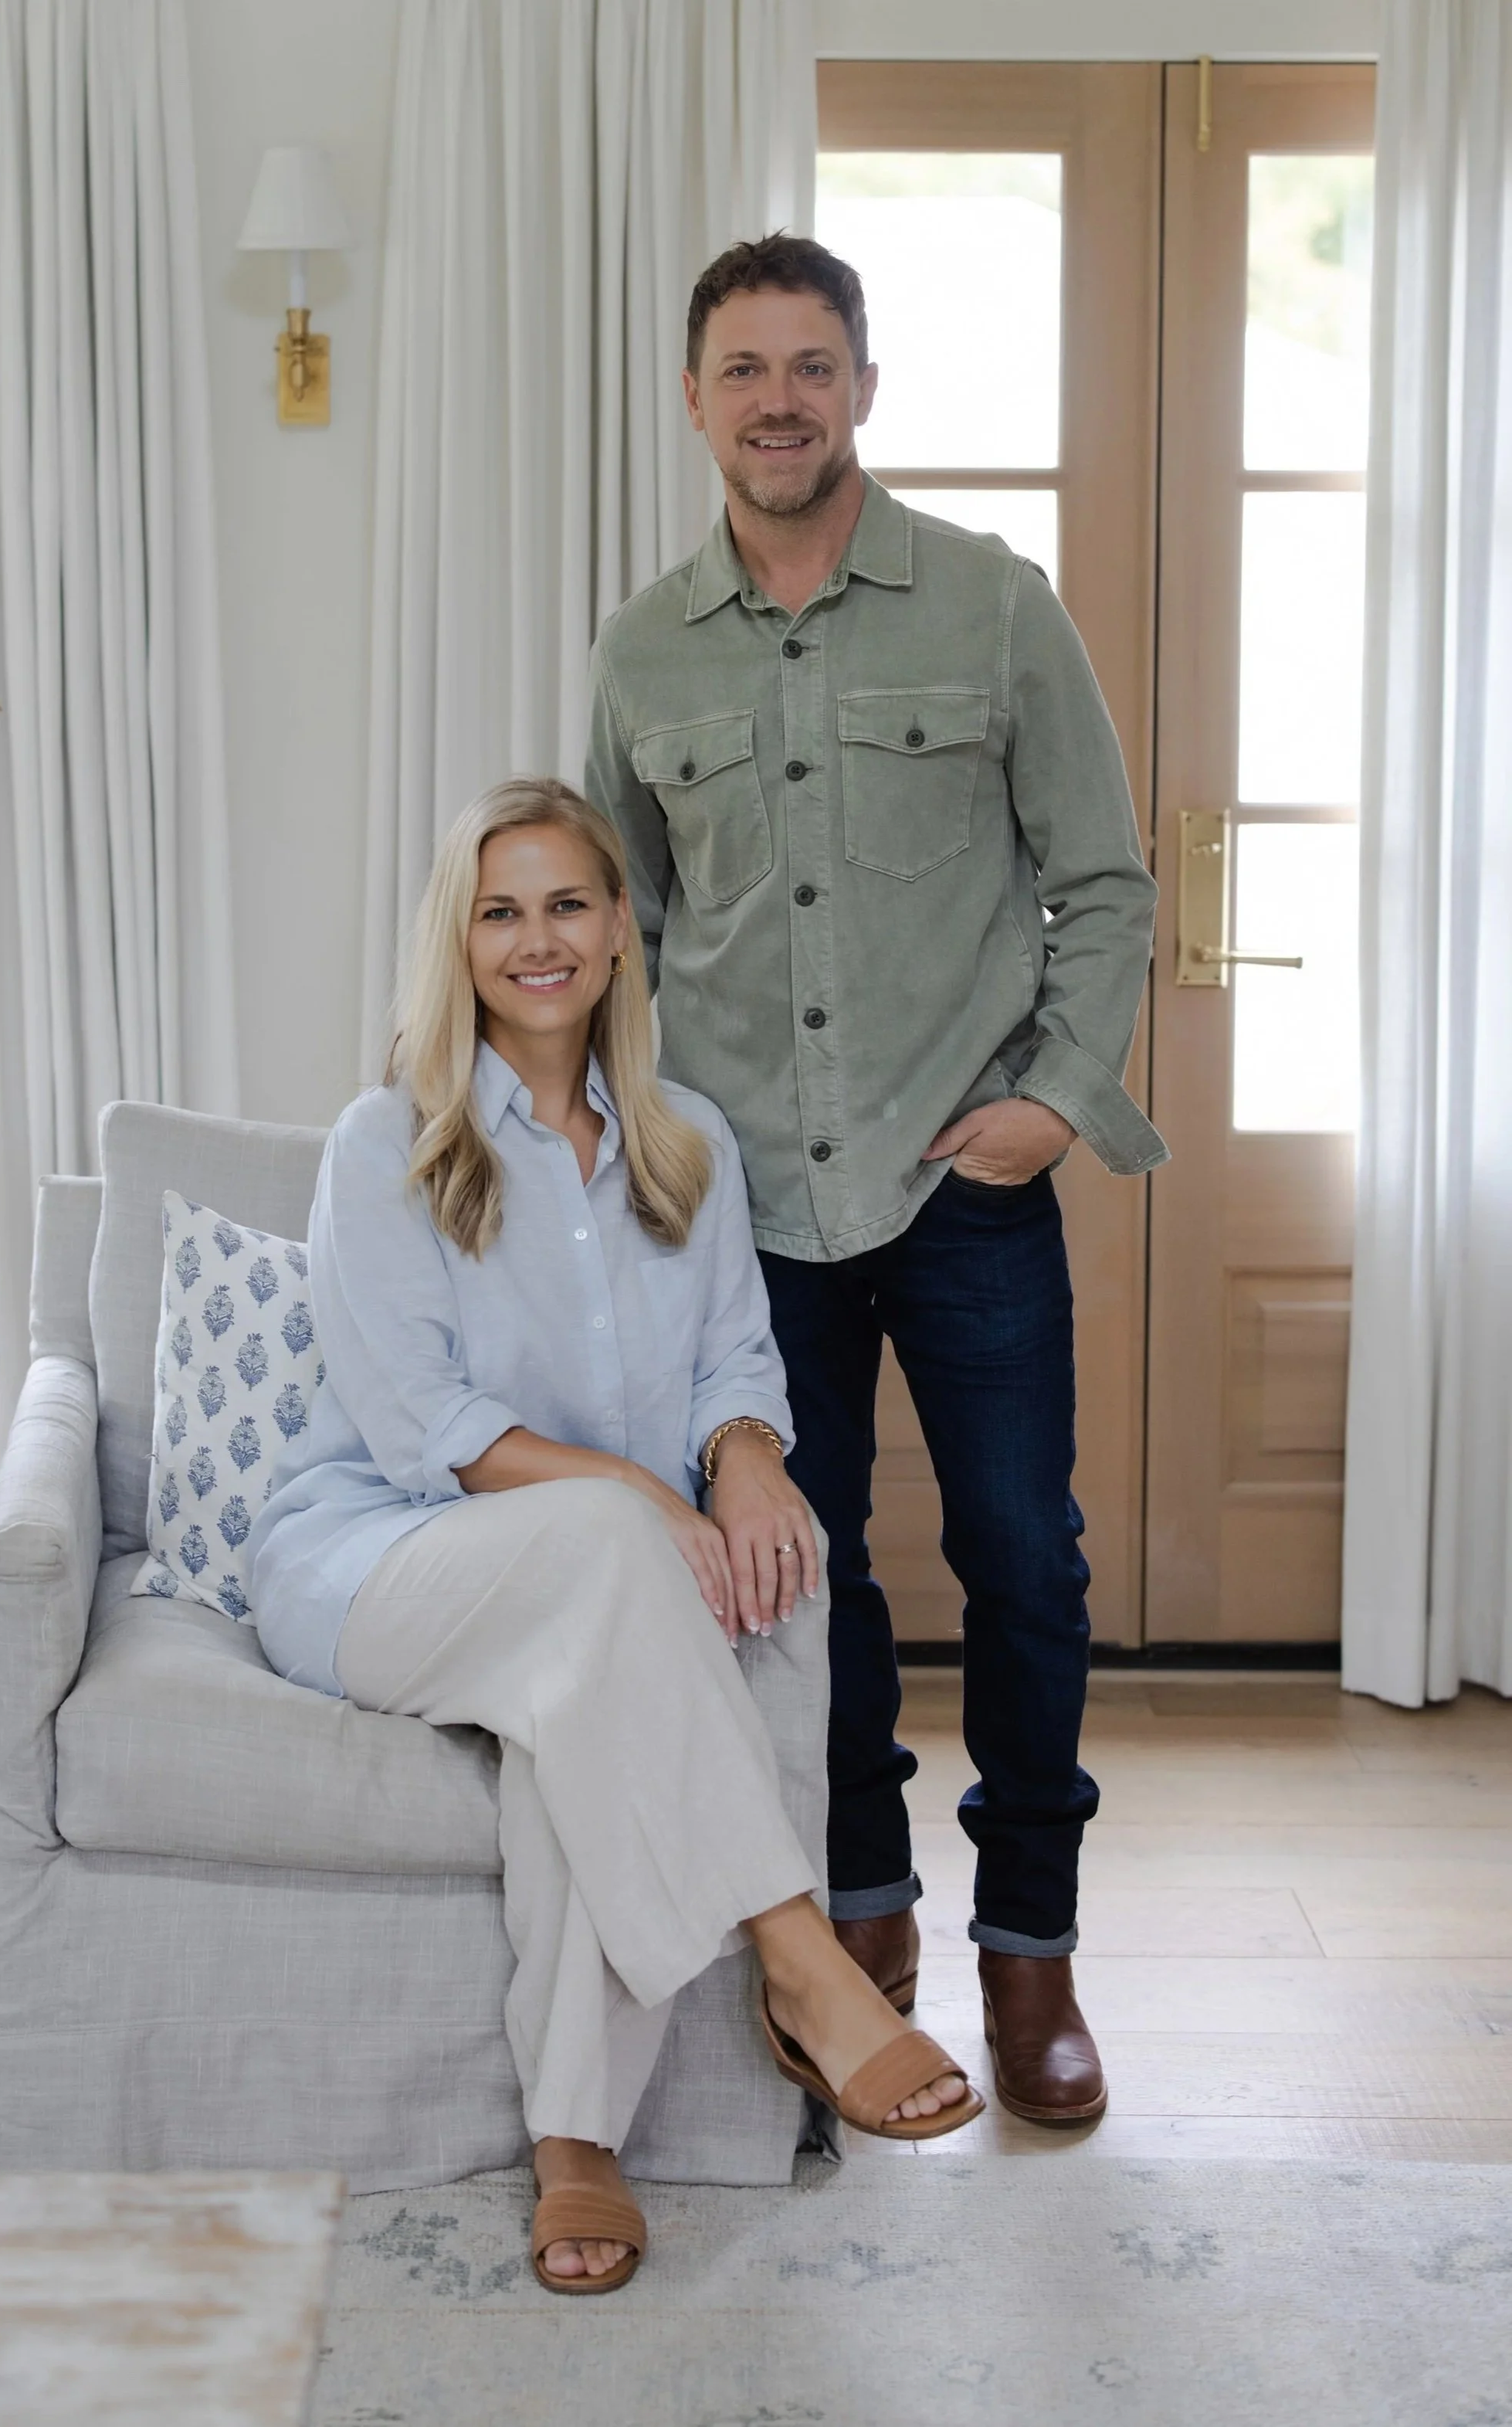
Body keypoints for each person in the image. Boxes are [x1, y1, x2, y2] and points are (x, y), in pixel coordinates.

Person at [249, 778, 979, 2297]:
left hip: (592, 1593)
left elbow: (735, 1359)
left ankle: (576, 2143)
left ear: (620, 932)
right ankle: (803, 1956)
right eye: (500, 910)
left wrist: (746, 1455)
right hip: (379, 1567)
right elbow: (423, 1424)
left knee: (582, 1699)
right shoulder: (388, 1140)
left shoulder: (685, 1141)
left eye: (567, 904)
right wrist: (647, 1498)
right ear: (458, 942)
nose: (538, 939)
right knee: (607, 1556)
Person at [585, 234, 1168, 2127]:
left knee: (1025, 1561)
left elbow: (1106, 886)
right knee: (796, 1573)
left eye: (812, 364)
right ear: (695, 400)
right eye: (745, 369)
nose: (780, 399)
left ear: (862, 388)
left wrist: (1055, 1101)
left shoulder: (992, 605)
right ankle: (858, 1909)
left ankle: (1031, 1947)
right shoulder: (641, 648)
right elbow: (622, 927)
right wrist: (625, 1158)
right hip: (748, 1211)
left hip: (965, 1184)